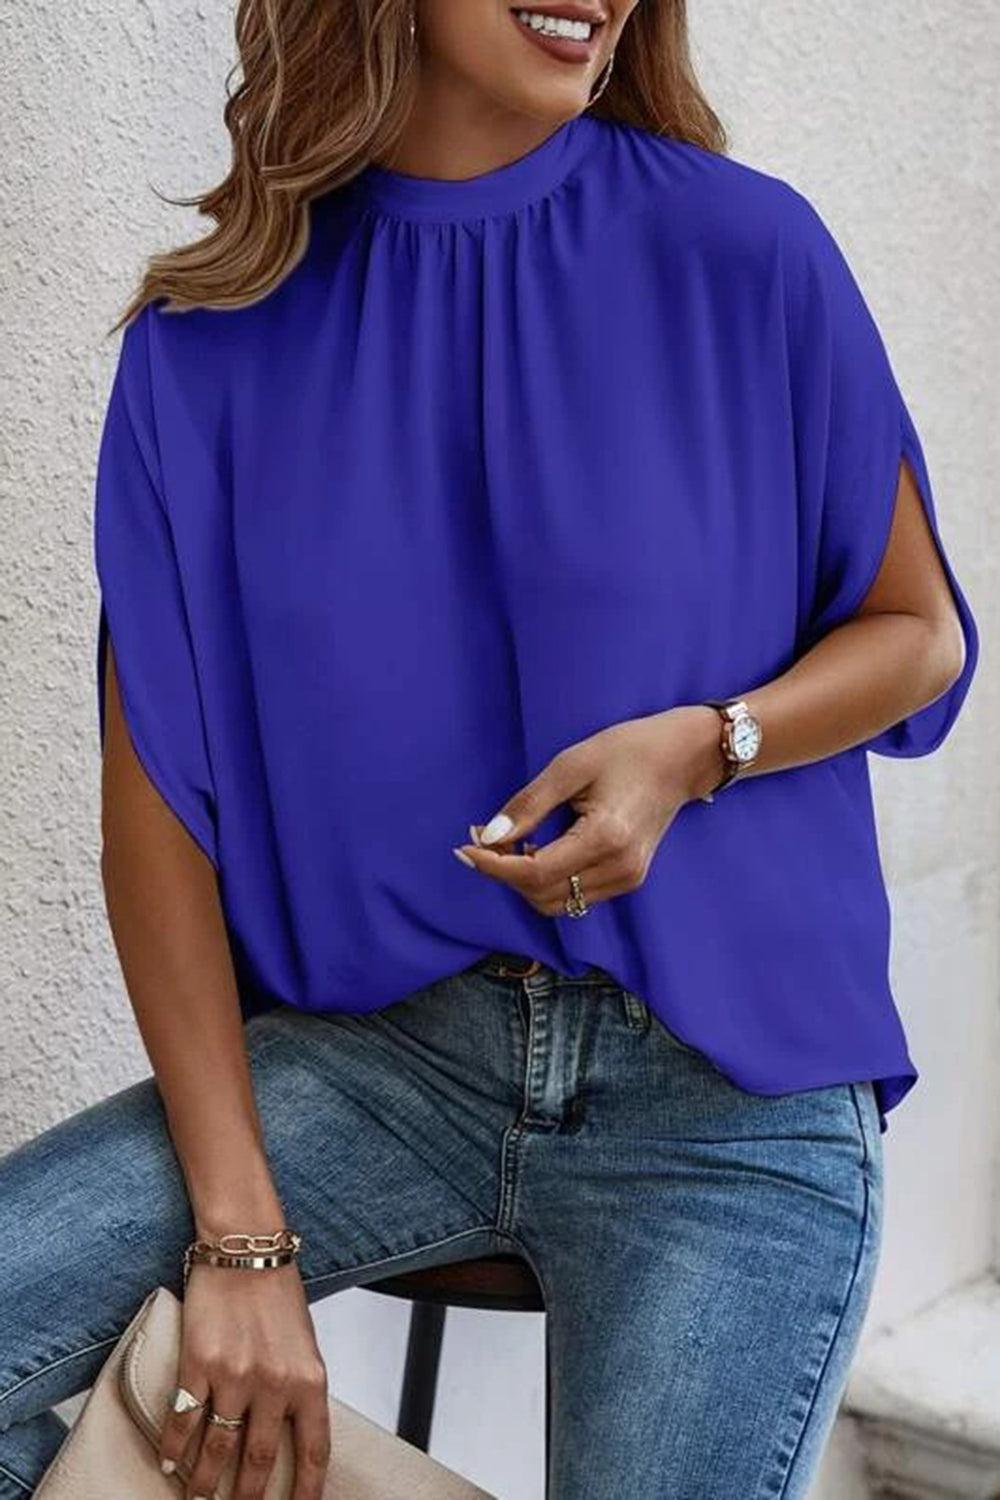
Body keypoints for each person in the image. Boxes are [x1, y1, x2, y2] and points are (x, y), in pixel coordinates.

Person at [0, 1, 980, 1497]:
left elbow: (918, 633)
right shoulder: (205, 352)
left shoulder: (744, 253)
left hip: (729, 1092)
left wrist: (702, 747)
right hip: (388, 1062)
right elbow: (163, 822)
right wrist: (240, 1240)